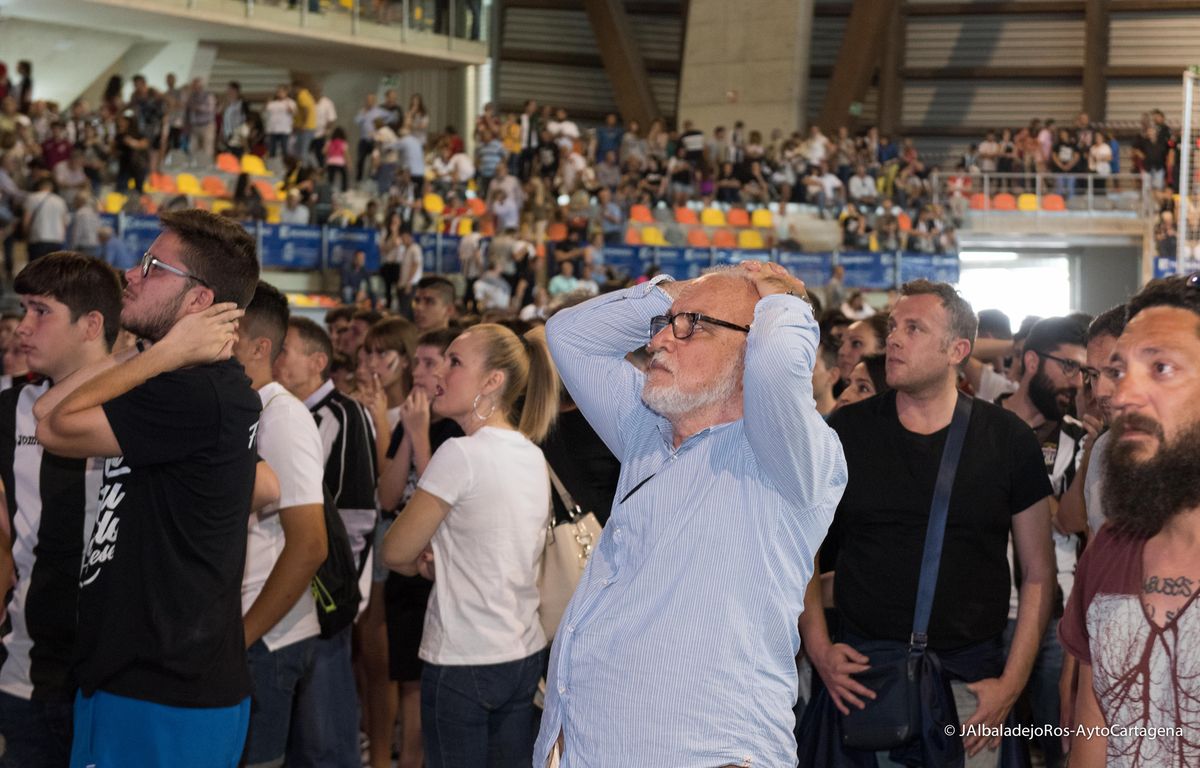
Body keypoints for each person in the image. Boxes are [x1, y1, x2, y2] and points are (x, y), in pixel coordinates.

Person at [535, 262, 846, 765]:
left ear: (754, 346)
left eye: (694, 326)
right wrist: (682, 296)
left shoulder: (788, 460)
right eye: (664, 326)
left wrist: (784, 302)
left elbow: (775, 369)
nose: (658, 342)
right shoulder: (648, 432)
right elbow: (569, 335)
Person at [34, 210, 265, 767]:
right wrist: (154, 353)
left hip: (164, 687)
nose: (130, 274)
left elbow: (51, 425)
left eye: (152, 266)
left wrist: (160, 354)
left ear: (199, 301)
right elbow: (48, 409)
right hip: (135, 674)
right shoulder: (174, 381)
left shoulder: (196, 394)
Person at [799, 279, 1055, 768]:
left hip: (971, 687)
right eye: (893, 325)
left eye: (913, 328)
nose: (894, 338)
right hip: (861, 681)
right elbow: (802, 549)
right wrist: (819, 647)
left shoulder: (1007, 439)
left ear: (958, 349)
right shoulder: (845, 432)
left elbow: (1039, 573)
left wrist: (1011, 685)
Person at [383, 323, 560, 767]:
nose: (440, 372)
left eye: (455, 361)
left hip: (464, 657)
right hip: (520, 654)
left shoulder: (460, 454)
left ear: (492, 381)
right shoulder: (531, 454)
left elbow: (395, 552)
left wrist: (427, 566)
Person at [1061, 274, 1200, 766]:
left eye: (1160, 367)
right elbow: (1093, 737)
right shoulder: (1110, 548)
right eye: (1118, 372)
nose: (1121, 397)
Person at [0, 252, 122, 768]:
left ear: (91, 324)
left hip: (126, 678)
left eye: (40, 311)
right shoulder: (9, 410)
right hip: (28, 674)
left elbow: (263, 486)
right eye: (22, 311)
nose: (21, 328)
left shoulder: (151, 403)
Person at [272, 317, 378, 768]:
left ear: (318, 362)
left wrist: (341, 596)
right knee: (298, 734)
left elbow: (355, 516)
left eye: (285, 350)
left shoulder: (342, 415)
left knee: (325, 738)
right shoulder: (278, 413)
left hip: (324, 594)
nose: (276, 357)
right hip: (291, 587)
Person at [233, 282, 329, 768]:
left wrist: (244, 635)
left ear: (258, 346)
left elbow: (310, 544)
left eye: (228, 329)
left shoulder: (282, 416)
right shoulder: (244, 408)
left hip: (265, 638)